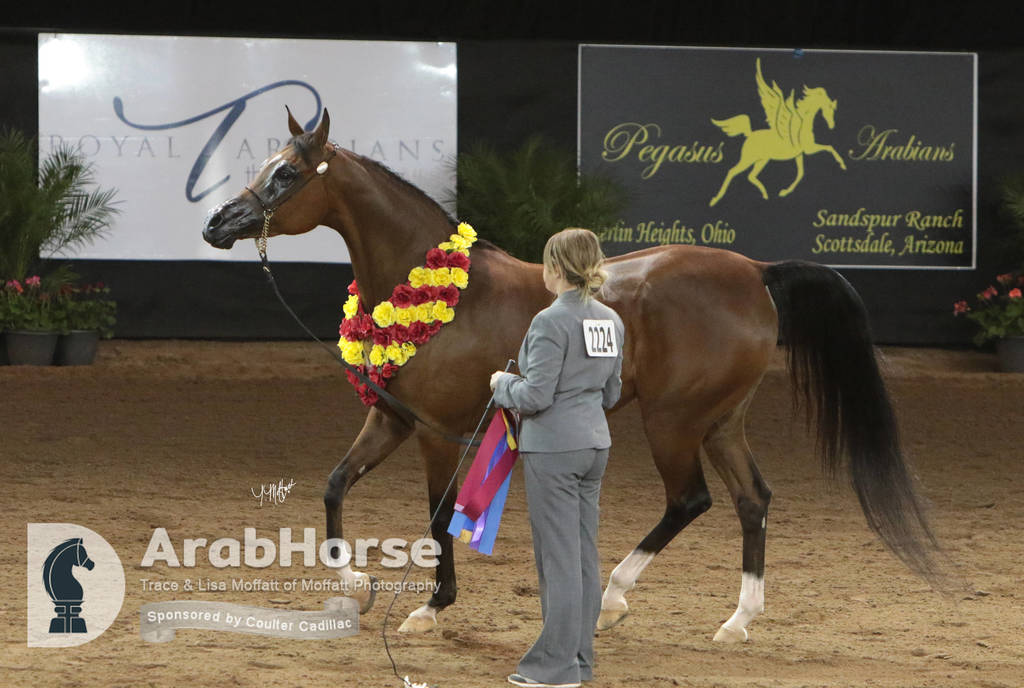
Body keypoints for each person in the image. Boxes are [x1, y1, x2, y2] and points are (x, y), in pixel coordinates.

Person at [490, 228, 625, 688]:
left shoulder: (549, 321)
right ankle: (579, 661)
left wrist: (501, 384)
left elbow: (535, 396)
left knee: (559, 560)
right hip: (594, 445)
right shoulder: (610, 319)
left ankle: (555, 668)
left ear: (555, 268)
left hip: (554, 449)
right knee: (583, 556)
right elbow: (612, 393)